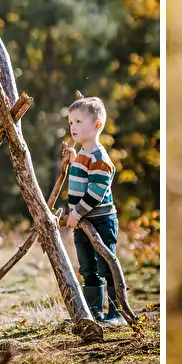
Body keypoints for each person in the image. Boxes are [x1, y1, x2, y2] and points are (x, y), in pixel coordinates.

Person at [62, 96, 125, 326]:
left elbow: (96, 192)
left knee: (106, 265)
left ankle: (116, 312)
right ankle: (93, 312)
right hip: (83, 222)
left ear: (97, 125)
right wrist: (73, 160)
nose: (73, 127)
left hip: (100, 220)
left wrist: (76, 213)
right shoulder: (83, 155)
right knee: (87, 267)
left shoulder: (99, 158)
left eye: (79, 122)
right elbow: (80, 177)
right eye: (71, 122)